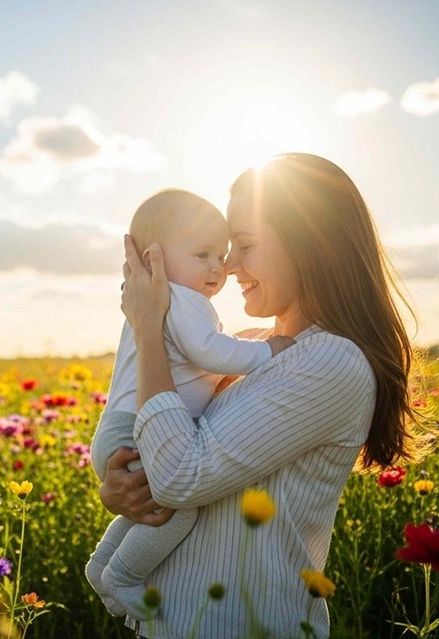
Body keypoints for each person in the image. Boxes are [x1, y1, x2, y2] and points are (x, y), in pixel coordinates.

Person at [104, 153, 424, 638]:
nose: (229, 266)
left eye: (245, 246)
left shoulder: (330, 362)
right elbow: (167, 464)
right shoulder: (251, 347)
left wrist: (150, 327)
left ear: (308, 246)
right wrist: (126, 491)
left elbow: (179, 478)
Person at [86, 188, 296, 619]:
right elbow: (210, 352)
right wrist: (269, 351)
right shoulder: (183, 301)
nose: (219, 267)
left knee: (148, 507)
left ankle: (103, 563)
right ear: (154, 257)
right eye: (202, 254)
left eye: (220, 255)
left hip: (120, 428)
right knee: (176, 511)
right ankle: (123, 574)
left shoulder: (160, 303)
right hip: (136, 432)